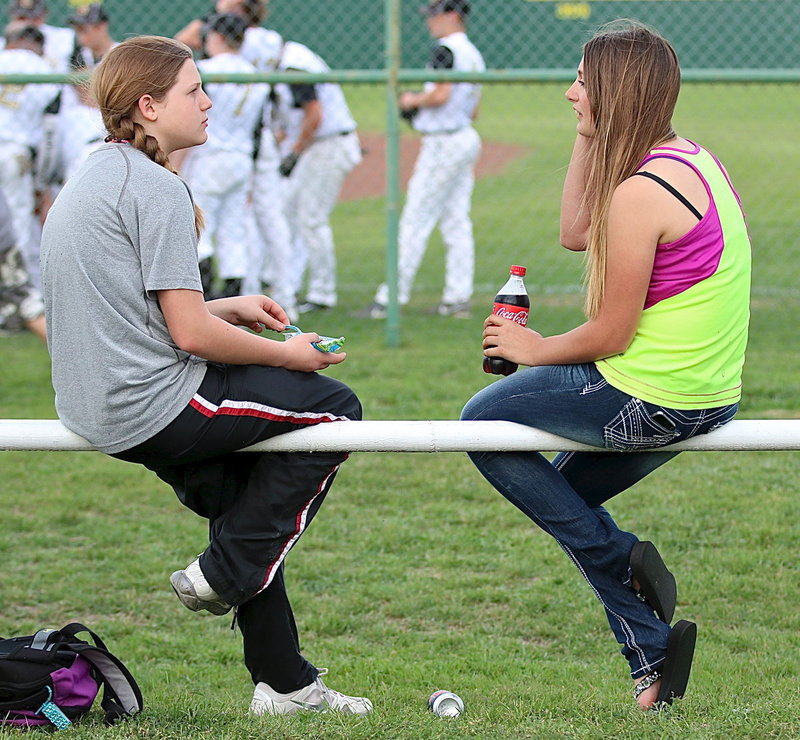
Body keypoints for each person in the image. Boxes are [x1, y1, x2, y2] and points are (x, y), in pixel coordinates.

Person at [40, 35, 373, 717]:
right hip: (151, 404)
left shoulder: (99, 170)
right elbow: (188, 335)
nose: (208, 100)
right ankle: (223, 573)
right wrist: (293, 353)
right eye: (194, 90)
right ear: (149, 105)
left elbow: (143, 312)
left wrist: (230, 308)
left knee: (247, 497)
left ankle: (283, 684)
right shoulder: (155, 187)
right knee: (334, 408)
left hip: (96, 402)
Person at [460, 21, 751, 710]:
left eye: (582, 83)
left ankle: (622, 560)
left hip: (655, 396)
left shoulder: (643, 191)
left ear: (614, 91)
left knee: (482, 425)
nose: (568, 94)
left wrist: (531, 347)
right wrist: (590, 133)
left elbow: (613, 332)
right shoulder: (694, 159)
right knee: (564, 501)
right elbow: (573, 233)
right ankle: (649, 656)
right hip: (711, 395)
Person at [360, 0, 484, 319]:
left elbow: (441, 95)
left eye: (435, 14)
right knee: (456, 221)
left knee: (416, 218)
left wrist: (411, 99)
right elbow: (474, 109)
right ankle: (457, 298)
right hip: (464, 136)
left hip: (444, 143)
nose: (430, 21)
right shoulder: (473, 53)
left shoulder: (446, 49)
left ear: (453, 15)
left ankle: (391, 298)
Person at [180, 13, 268, 300]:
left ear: (216, 37)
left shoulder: (204, 69)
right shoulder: (257, 75)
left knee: (201, 228)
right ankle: (235, 301)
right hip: (241, 158)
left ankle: (204, 300)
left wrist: (175, 166)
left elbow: (190, 118)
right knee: (233, 231)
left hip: (210, 156)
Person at [273, 40, 362, 314]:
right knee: (290, 211)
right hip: (321, 144)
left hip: (328, 145)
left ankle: (323, 293)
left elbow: (315, 115)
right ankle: (291, 282)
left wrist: (295, 152)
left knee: (311, 219)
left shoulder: (292, 66)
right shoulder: (291, 56)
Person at [0, 23, 59, 288]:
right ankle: (20, 291)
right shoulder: (41, 67)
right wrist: (42, 180)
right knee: (18, 222)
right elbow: (50, 128)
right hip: (15, 154)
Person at [0, 186, 46, 342]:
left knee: (27, 305)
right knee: (28, 305)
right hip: (6, 246)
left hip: (5, 249)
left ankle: (72, 356)